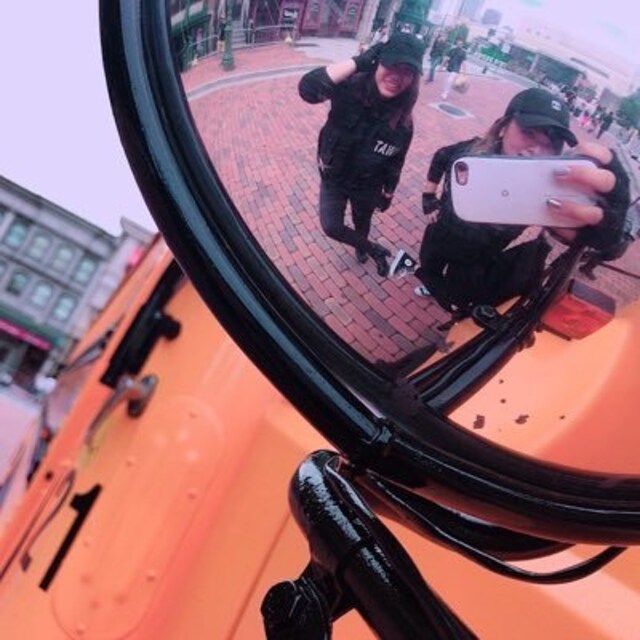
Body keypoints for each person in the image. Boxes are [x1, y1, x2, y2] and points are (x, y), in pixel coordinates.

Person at [390, 87, 631, 313]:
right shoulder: (472, 153)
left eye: (551, 144)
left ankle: (447, 300)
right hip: (441, 232)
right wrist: (429, 196)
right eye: (528, 133)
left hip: (480, 255)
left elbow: (599, 241)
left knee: (456, 296)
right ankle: (429, 284)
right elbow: (442, 156)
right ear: (504, 126)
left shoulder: (545, 190)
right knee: (430, 266)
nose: (537, 150)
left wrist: (608, 221)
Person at [298, 33, 423, 276]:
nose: (397, 76)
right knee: (331, 226)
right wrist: (357, 62)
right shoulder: (349, 88)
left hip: (368, 185)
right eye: (391, 64)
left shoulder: (404, 122)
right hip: (334, 177)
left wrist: (389, 192)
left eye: (407, 71)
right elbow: (308, 89)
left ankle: (363, 245)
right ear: (377, 61)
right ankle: (372, 248)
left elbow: (397, 160)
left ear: (413, 79)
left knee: (362, 221)